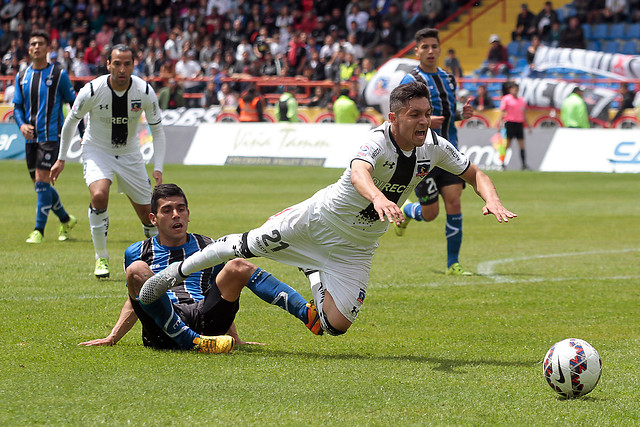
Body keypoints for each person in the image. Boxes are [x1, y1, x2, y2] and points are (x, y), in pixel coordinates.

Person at [140, 82, 517, 337]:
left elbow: (475, 173)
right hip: (318, 221)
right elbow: (358, 173)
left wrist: (492, 198)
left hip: (358, 246)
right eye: (415, 114)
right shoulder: (377, 141)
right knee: (242, 246)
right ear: (394, 118)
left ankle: (313, 268)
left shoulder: (435, 145)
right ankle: (175, 272)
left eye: (426, 113)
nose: (423, 121)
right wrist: (379, 198)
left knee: (333, 327)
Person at [79, 184, 322, 352]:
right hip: (162, 328)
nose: (176, 215)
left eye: (181, 209)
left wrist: (235, 338)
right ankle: (191, 341)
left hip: (205, 319)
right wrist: (113, 336)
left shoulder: (207, 246)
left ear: (188, 213)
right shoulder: (136, 252)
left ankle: (308, 314)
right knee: (136, 270)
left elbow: (221, 292)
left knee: (237, 265)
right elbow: (136, 300)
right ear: (153, 219)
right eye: (167, 210)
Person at [50, 44, 167, 279]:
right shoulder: (92, 90)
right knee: (99, 194)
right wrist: (61, 159)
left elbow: (158, 130)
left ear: (134, 65)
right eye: (117, 63)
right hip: (97, 150)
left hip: (130, 154)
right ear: (108, 65)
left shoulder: (144, 90)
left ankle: (158, 258)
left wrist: (158, 166)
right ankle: (101, 257)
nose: (122, 69)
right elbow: (71, 122)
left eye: (127, 63)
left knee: (148, 215)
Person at [396, 28, 475, 276]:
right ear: (416, 51)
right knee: (430, 214)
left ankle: (453, 263)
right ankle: (407, 211)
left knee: (454, 203)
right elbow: (399, 117)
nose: (430, 51)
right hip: (424, 155)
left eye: (434, 46)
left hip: (450, 152)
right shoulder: (409, 81)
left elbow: (449, 115)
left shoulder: (448, 78)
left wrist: (463, 115)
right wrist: (428, 123)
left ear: (440, 49)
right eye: (425, 47)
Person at [13, 29, 78, 244]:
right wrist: (21, 125)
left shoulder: (58, 74)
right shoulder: (22, 76)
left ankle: (38, 231)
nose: (36, 47)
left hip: (51, 137)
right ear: (29, 48)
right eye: (33, 44)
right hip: (30, 139)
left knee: (42, 182)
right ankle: (66, 219)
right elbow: (17, 107)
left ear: (48, 48)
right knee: (41, 186)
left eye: (40, 43)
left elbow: (74, 103)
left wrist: (80, 130)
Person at [497, 82, 531, 170]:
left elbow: (524, 114)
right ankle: (502, 163)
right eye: (513, 89)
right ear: (510, 90)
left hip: (519, 124)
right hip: (510, 123)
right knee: (507, 145)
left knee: (522, 145)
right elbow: (503, 112)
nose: (515, 91)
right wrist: (499, 123)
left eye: (516, 89)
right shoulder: (506, 99)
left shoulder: (521, 100)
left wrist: (529, 125)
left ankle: (524, 164)